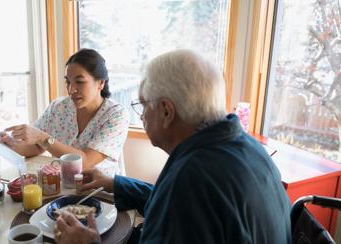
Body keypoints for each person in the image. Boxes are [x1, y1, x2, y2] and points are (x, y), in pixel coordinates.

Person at [54, 49, 292, 243]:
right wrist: (117, 184)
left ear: (167, 111)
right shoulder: (248, 148)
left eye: (144, 105)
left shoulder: (193, 177)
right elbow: (170, 203)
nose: (142, 116)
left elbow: (181, 200)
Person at [0, 49, 129, 175]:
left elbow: (85, 162)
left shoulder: (116, 115)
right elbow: (37, 147)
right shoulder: (58, 107)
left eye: (79, 82)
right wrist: (12, 143)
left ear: (100, 83)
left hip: (100, 192)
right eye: (68, 82)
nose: (71, 90)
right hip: (64, 186)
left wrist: (42, 137)